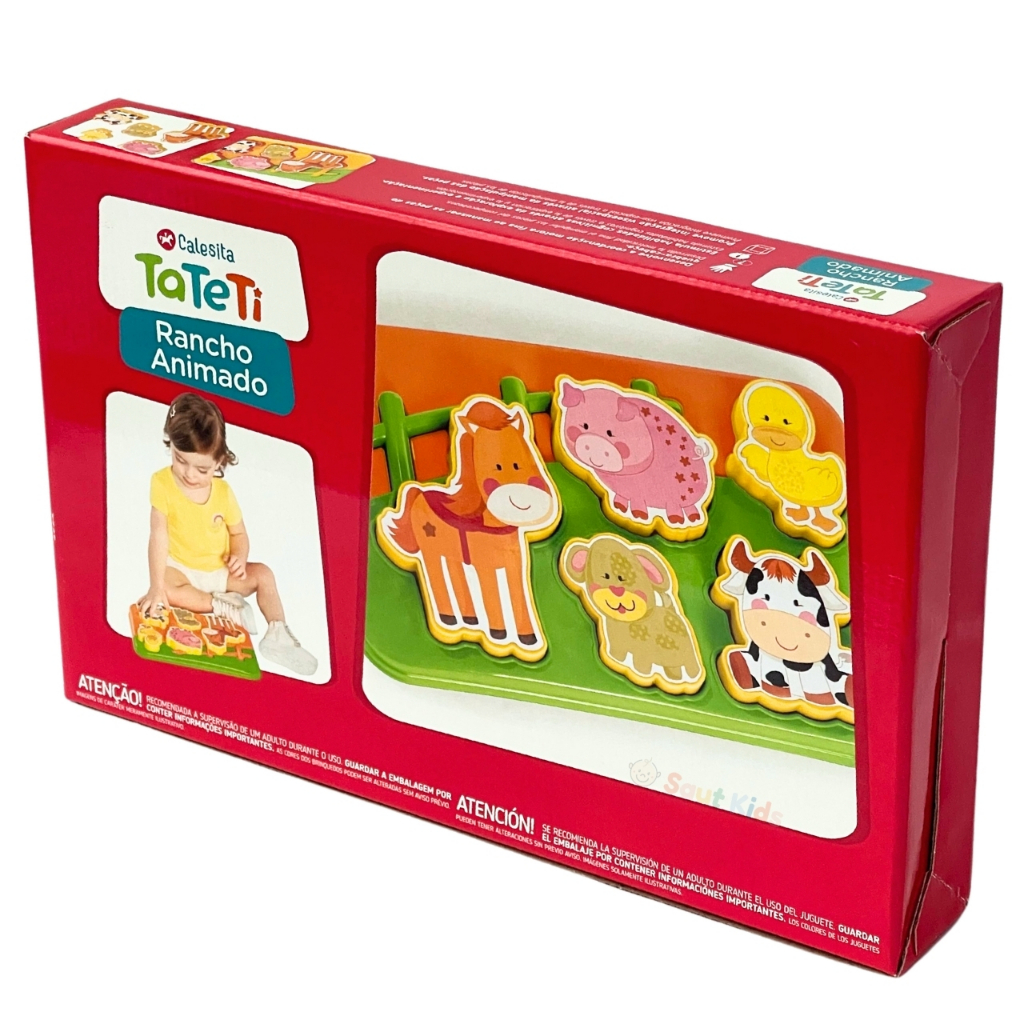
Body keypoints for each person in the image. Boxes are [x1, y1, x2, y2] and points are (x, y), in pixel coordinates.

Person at [137, 393, 317, 675]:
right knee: (167, 590)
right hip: (181, 569)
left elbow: (239, 534)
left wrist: (239, 557)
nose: (189, 474)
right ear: (170, 444)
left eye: (202, 468)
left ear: (219, 461)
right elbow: (158, 534)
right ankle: (221, 606)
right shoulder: (162, 482)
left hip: (220, 571)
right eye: (180, 460)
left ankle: (278, 633)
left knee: (264, 574)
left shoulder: (223, 493)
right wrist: (156, 586)